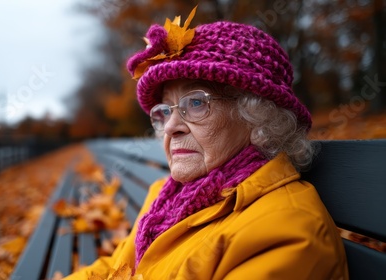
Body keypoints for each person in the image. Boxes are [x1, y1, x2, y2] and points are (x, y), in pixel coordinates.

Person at [65, 9, 348, 280]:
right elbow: (114, 268)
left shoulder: (286, 230)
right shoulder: (166, 195)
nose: (172, 127)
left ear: (258, 117)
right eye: (165, 111)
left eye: (196, 103)